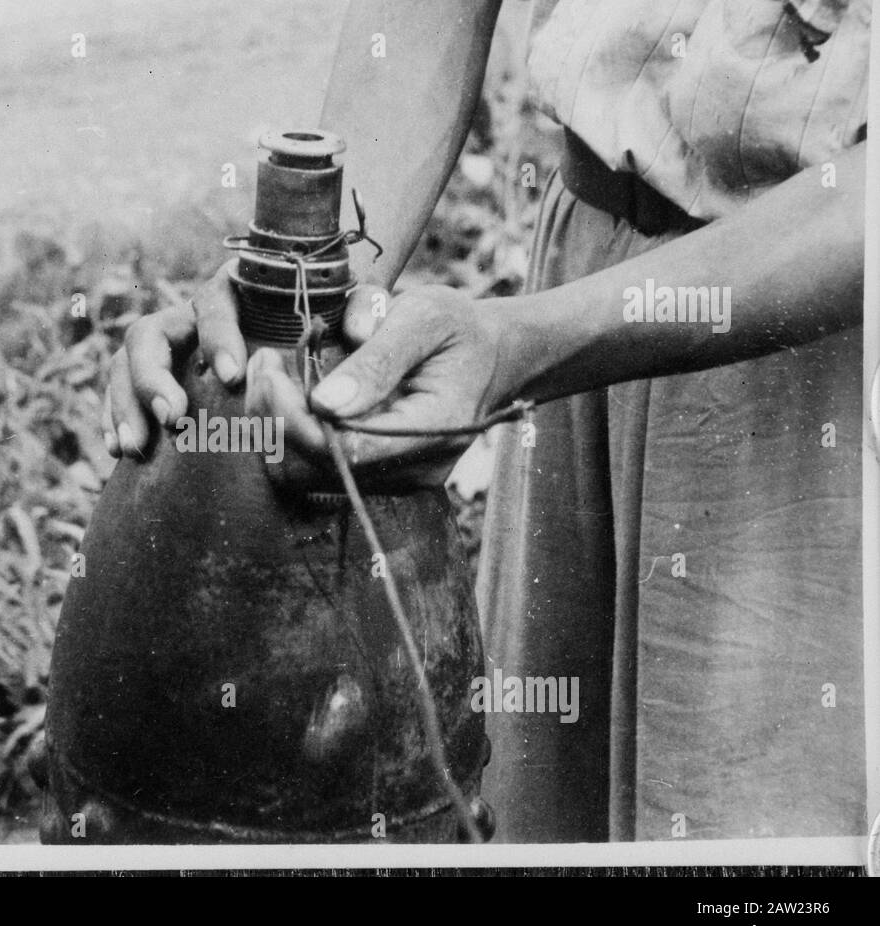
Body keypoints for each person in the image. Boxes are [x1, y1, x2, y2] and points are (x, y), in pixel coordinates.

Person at [102, 0, 870, 842]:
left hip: (818, 348)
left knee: (762, 865)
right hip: (585, 282)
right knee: (552, 817)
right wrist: (304, 297)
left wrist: (531, 345)